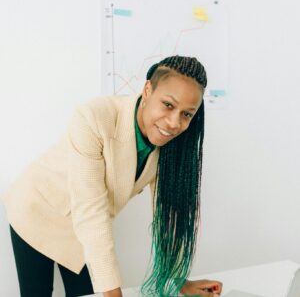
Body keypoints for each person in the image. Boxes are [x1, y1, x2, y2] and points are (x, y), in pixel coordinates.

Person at [1, 55, 223, 297]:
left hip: (84, 228)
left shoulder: (171, 146)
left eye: (187, 114)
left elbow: (168, 215)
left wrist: (178, 280)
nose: (173, 123)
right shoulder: (94, 117)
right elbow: (91, 210)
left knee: (90, 292)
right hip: (38, 210)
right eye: (168, 105)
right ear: (148, 90)